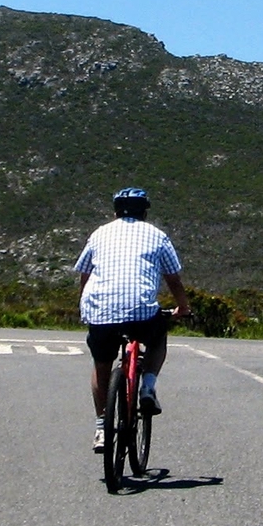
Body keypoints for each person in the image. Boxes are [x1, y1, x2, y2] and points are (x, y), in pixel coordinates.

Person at [75, 187, 189, 450]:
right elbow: (173, 279)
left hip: (100, 312)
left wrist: (84, 305)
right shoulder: (158, 236)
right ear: (145, 212)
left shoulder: (99, 234)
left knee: (101, 364)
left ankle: (102, 428)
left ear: (116, 211)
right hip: (142, 313)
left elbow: (85, 274)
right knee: (158, 337)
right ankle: (147, 387)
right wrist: (182, 308)